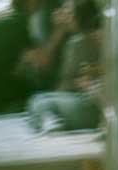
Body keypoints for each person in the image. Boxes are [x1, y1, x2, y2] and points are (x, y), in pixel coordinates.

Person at [0, 0, 70, 113]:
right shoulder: (15, 22)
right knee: (42, 99)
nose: (41, 4)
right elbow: (42, 62)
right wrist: (60, 30)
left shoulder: (1, 16)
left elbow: (18, 63)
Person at [27, 0, 104, 131]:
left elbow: (64, 88)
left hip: (94, 106)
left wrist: (84, 83)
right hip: (102, 103)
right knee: (42, 98)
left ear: (74, 16)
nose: (60, 13)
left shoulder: (77, 43)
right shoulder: (101, 35)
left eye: (66, 10)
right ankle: (52, 119)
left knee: (38, 101)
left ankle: (51, 120)